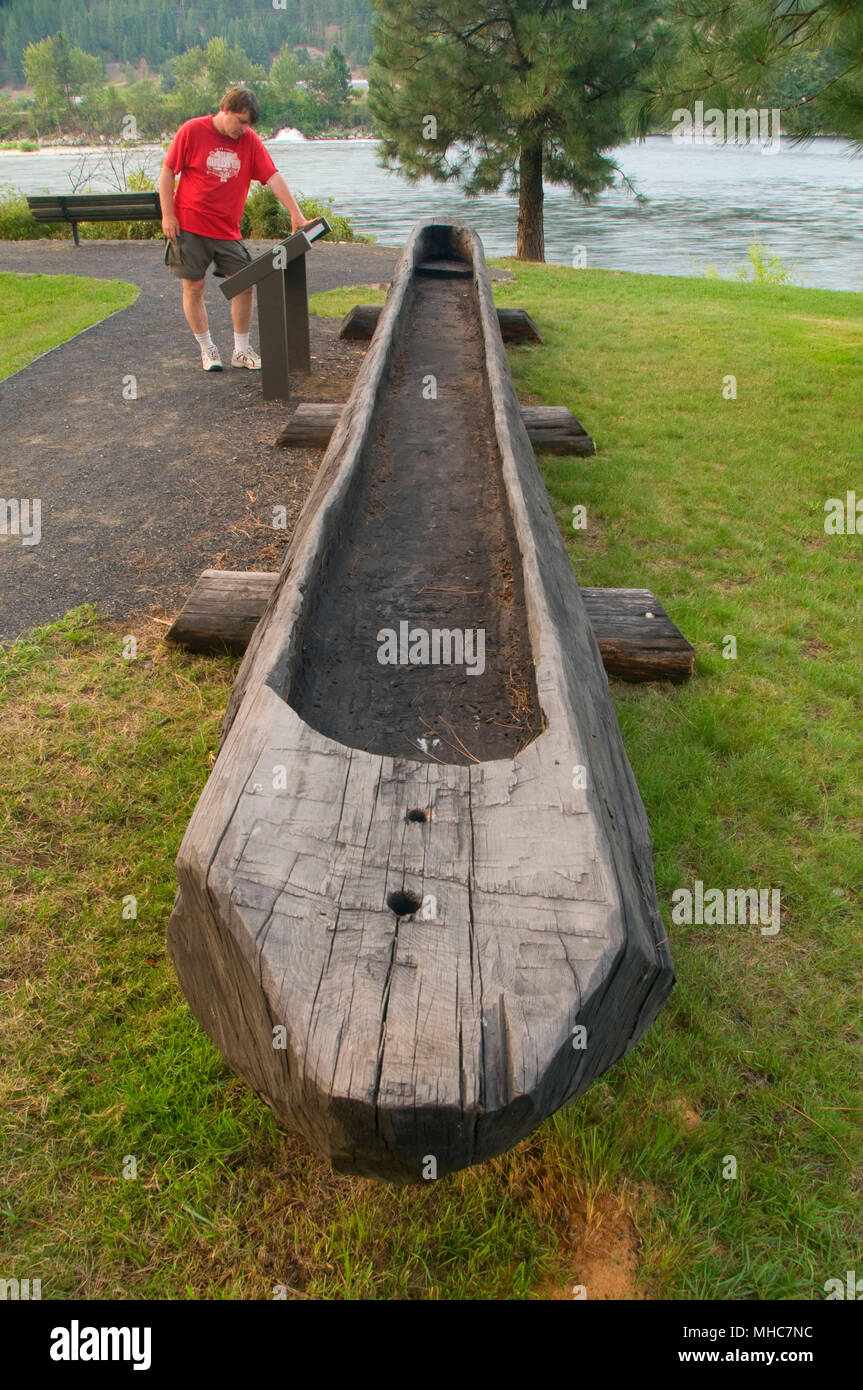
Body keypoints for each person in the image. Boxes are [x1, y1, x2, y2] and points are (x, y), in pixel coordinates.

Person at [159, 85, 318, 372]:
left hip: (226, 229)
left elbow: (272, 176)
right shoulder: (192, 130)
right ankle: (208, 349)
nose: (244, 129)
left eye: (249, 124)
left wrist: (296, 213)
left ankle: (241, 350)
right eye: (241, 121)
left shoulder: (249, 141)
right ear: (226, 110)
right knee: (194, 286)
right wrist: (168, 215)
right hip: (190, 224)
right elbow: (168, 170)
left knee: (245, 284)